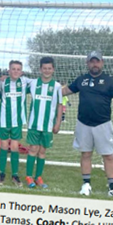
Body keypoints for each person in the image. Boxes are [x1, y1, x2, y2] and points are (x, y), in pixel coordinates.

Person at [62, 50, 113, 201]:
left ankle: (112, 187)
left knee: (108, 155)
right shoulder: (81, 80)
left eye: (97, 61)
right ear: (87, 63)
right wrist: (49, 90)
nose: (94, 64)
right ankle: (86, 184)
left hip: (103, 124)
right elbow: (65, 91)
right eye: (92, 61)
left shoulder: (110, 81)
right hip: (83, 123)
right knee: (86, 154)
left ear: (102, 63)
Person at [24, 56, 63, 188]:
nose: (47, 71)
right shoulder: (33, 83)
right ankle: (29, 177)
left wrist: (58, 123)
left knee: (42, 151)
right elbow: (18, 82)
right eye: (44, 68)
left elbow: (59, 105)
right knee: (33, 149)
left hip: (48, 125)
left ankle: (38, 177)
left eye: (49, 68)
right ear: (40, 69)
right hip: (34, 124)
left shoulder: (57, 86)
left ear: (53, 70)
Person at [0, 60, 30, 186]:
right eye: (13, 69)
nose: (15, 71)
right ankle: (2, 173)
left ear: (21, 72)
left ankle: (15, 175)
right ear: (8, 70)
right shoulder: (2, 82)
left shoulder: (25, 82)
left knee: (15, 147)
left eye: (18, 69)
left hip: (17, 121)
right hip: (4, 120)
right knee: (4, 146)